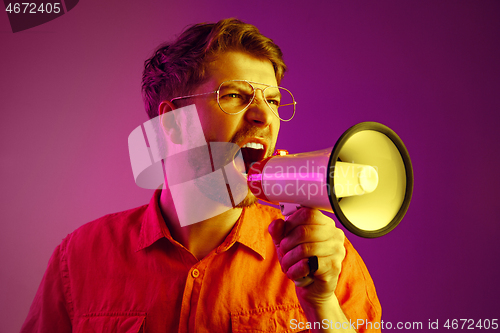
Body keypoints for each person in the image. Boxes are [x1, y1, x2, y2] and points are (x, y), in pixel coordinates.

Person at [21, 18, 381, 332]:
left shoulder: (322, 257)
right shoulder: (79, 258)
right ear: (175, 125)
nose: (266, 117)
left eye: (272, 100)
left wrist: (322, 307)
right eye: (237, 96)